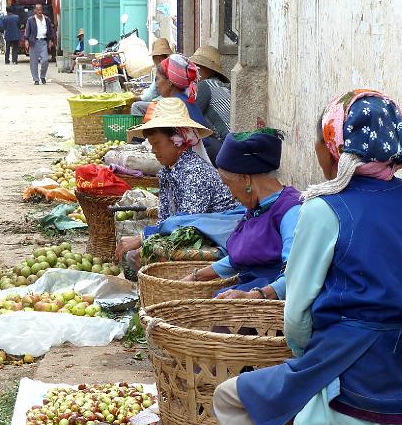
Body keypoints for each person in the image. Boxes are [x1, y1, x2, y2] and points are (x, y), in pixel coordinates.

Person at [212, 89, 402, 425]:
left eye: (318, 142)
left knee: (231, 399)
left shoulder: (324, 209)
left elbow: (296, 317)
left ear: (335, 150)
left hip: (351, 381)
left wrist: (304, 361)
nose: (315, 153)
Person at [115, 97, 235, 269]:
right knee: (136, 255)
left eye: (157, 143)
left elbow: (188, 225)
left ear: (177, 140)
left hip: (217, 241)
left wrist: (143, 238)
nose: (154, 151)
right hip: (193, 236)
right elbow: (165, 217)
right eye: (151, 145)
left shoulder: (194, 171)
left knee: (141, 256)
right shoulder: (168, 171)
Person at [182, 129, 301, 301]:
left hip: (274, 305)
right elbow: (240, 257)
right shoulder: (257, 208)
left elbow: (297, 275)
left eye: (228, 184)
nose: (231, 195)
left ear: (246, 179)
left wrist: (254, 296)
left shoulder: (291, 211)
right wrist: (195, 276)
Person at [190, 45, 231, 163]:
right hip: (232, 144)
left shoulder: (205, 86)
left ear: (209, 69)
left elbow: (191, 120)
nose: (195, 70)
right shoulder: (219, 85)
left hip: (225, 147)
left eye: (199, 67)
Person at [130, 38, 173, 115]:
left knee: (136, 106)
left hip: (167, 105)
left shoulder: (162, 70)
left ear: (158, 58)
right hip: (171, 103)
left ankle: (141, 127)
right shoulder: (172, 67)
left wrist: (135, 98)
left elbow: (149, 96)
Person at [24, 4, 55, 85]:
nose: (39, 11)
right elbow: (27, 30)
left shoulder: (46, 19)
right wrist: (26, 40)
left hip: (43, 42)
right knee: (33, 62)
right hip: (33, 42)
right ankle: (36, 79)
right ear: (35, 10)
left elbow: (50, 30)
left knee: (45, 61)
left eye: (41, 9)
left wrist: (51, 40)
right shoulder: (31, 20)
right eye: (38, 10)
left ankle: (42, 76)